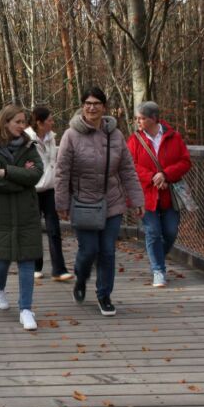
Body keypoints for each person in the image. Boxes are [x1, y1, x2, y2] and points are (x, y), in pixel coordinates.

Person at [55, 87, 143, 317]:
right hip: (83, 202)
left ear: (104, 107)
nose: (91, 107)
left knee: (107, 251)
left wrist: (137, 199)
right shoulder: (71, 135)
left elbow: (127, 169)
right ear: (82, 106)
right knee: (89, 250)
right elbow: (62, 172)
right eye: (87, 103)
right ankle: (81, 279)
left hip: (112, 201)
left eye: (96, 103)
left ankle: (104, 295)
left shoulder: (115, 135)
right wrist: (61, 204)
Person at [0, 105, 44, 331]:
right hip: (1, 212)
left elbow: (36, 174)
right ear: (5, 122)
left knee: (27, 258)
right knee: (3, 258)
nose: (22, 125)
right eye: (18, 121)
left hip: (26, 212)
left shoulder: (29, 146)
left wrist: (7, 171)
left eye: (23, 121)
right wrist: (21, 179)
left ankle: (25, 309)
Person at [127, 101, 192, 288]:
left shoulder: (174, 137)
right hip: (145, 194)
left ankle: (157, 259)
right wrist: (152, 177)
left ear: (154, 118)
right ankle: (158, 270)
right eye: (137, 118)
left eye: (142, 118)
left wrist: (165, 174)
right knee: (153, 231)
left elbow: (185, 162)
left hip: (169, 194)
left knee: (170, 231)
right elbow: (130, 164)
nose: (138, 121)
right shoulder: (134, 140)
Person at [25, 106, 73, 282]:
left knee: (54, 229)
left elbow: (53, 161)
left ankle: (58, 269)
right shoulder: (26, 138)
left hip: (51, 188)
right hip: (33, 189)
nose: (53, 122)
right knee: (34, 229)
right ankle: (35, 266)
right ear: (40, 122)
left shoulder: (51, 138)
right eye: (50, 120)